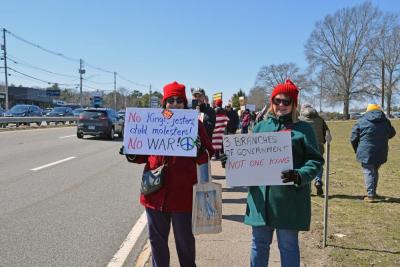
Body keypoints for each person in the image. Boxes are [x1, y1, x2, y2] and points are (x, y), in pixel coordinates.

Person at [222, 79, 323, 266]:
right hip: (260, 199)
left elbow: (315, 160)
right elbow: (249, 157)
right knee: (259, 245)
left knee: (288, 246)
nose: (281, 105)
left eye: (286, 101)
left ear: (294, 104)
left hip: (289, 199)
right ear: (272, 102)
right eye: (277, 101)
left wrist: (299, 175)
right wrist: (232, 160)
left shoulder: (303, 129)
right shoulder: (260, 127)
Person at [121, 81, 214, 267]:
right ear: (165, 103)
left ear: (184, 102)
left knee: (185, 243)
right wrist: (131, 153)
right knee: (157, 243)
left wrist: (199, 150)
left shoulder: (193, 124)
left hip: (183, 196)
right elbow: (143, 156)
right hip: (154, 194)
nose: (175, 104)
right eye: (170, 100)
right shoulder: (152, 121)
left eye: (179, 100)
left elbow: (207, 154)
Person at [350, 103, 396, 203]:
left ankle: (371, 195)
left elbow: (353, 137)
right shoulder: (385, 121)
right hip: (381, 150)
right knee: (374, 170)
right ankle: (373, 193)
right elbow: (392, 133)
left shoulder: (361, 121)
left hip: (365, 151)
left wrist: (356, 149)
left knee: (368, 171)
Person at [299, 103, 330, 196]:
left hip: (303, 146)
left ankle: (307, 188)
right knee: (318, 164)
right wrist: (323, 142)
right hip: (318, 146)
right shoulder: (320, 120)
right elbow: (326, 133)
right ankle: (318, 180)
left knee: (305, 166)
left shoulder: (300, 120)